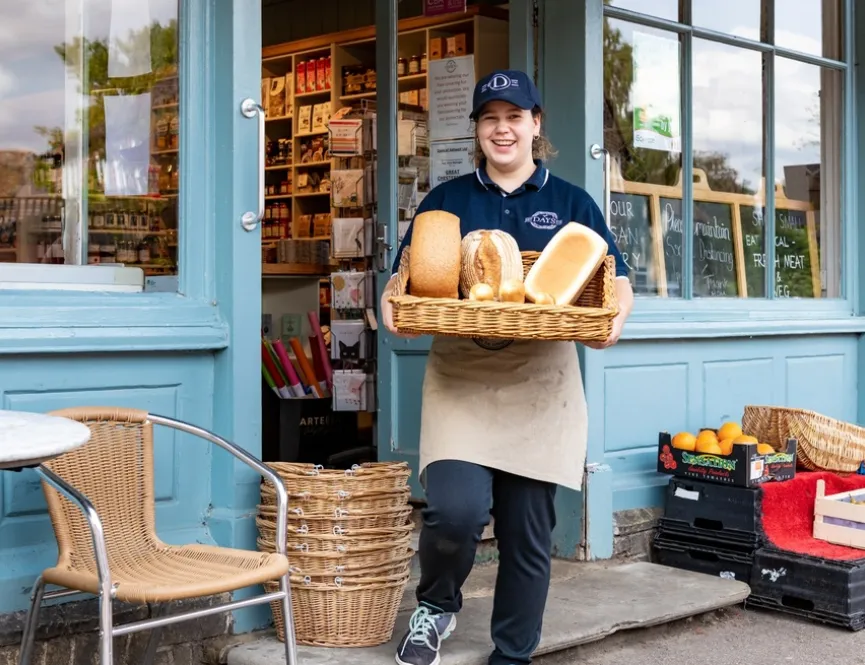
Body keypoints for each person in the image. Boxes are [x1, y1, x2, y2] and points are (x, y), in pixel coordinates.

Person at [380, 69, 634, 665]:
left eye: (514, 117)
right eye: (490, 118)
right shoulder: (445, 202)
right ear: (477, 129)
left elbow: (615, 280)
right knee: (454, 513)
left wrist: (616, 316)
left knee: (527, 529)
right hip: (461, 376)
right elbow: (405, 278)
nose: (503, 129)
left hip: (541, 381)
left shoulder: (572, 202)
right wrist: (392, 304)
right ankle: (436, 607)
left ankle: (513, 651)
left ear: (535, 125)